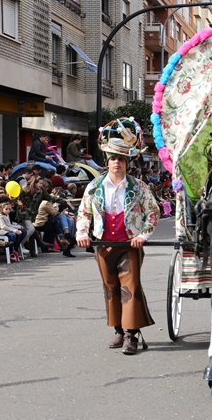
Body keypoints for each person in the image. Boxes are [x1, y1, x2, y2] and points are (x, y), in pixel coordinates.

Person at [76, 118, 160, 356]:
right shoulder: (93, 187)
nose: (116, 162)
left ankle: (131, 335)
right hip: (103, 244)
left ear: (127, 162)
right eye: (113, 158)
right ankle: (118, 329)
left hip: (129, 245)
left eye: (121, 159)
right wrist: (82, 233)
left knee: (129, 287)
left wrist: (143, 235)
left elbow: (153, 212)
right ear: (107, 161)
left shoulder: (139, 187)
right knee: (111, 287)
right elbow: (84, 212)